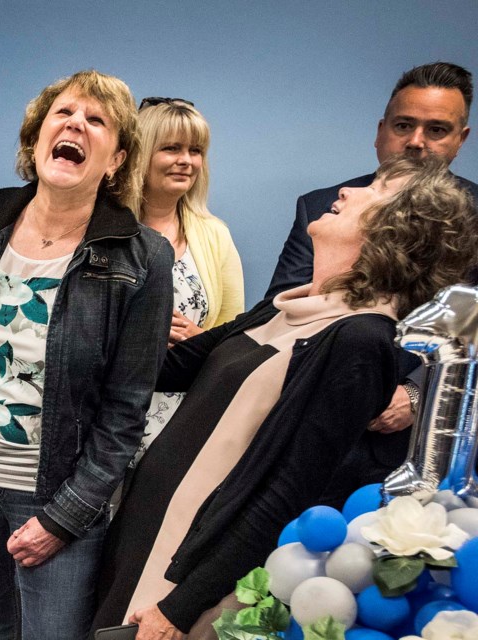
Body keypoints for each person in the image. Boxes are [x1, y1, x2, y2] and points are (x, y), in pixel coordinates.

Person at [93, 154, 478, 640]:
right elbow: (167, 369)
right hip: (148, 526)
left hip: (187, 563)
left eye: (373, 192)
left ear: (397, 231)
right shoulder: (289, 304)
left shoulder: (360, 341)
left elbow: (285, 496)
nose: (346, 191)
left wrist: (179, 608)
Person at [0, 70, 174, 640]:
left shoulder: (142, 258)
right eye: (63, 114)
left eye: (97, 121)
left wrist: (65, 516)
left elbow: (125, 414)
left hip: (59, 495)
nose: (76, 125)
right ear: (36, 137)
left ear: (116, 160)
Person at [267, 61, 476, 451]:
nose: (416, 141)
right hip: (311, 411)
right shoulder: (320, 205)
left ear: (460, 139)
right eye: (403, 125)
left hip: (418, 437)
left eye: (436, 130)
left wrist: (417, 392)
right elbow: (284, 304)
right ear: (381, 132)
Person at [131, 97, 243, 463]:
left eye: (196, 151)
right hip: (110, 417)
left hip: (186, 422)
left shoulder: (215, 235)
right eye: (171, 148)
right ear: (141, 154)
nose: (187, 161)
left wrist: (200, 341)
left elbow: (236, 334)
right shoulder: (106, 231)